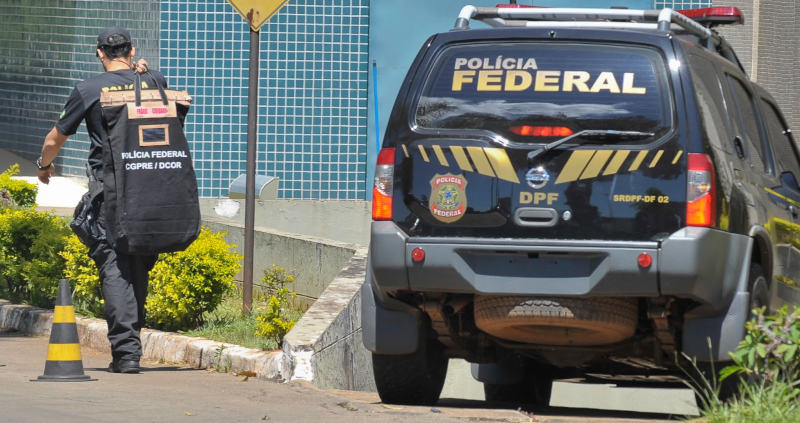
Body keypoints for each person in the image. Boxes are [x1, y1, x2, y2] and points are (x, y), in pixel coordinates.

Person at [37, 26, 164, 374]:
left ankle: (126, 354)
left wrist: (44, 167)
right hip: (151, 186)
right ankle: (130, 345)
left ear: (99, 54)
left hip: (111, 190)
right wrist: (146, 73)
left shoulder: (89, 90)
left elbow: (54, 138)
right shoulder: (153, 82)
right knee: (137, 264)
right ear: (132, 50)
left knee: (114, 263)